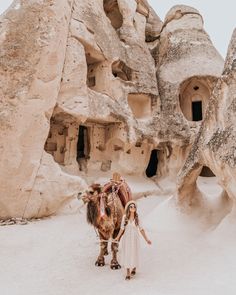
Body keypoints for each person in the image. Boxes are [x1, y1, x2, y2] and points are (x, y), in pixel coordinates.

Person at [115, 200, 152, 280]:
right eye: (131, 206)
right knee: (127, 253)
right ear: (128, 208)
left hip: (135, 238)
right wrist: (118, 237)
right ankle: (128, 272)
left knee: (134, 252)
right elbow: (121, 229)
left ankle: (134, 267)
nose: (133, 208)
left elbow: (141, 229)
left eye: (134, 206)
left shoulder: (137, 218)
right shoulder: (125, 217)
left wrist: (147, 239)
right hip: (127, 238)